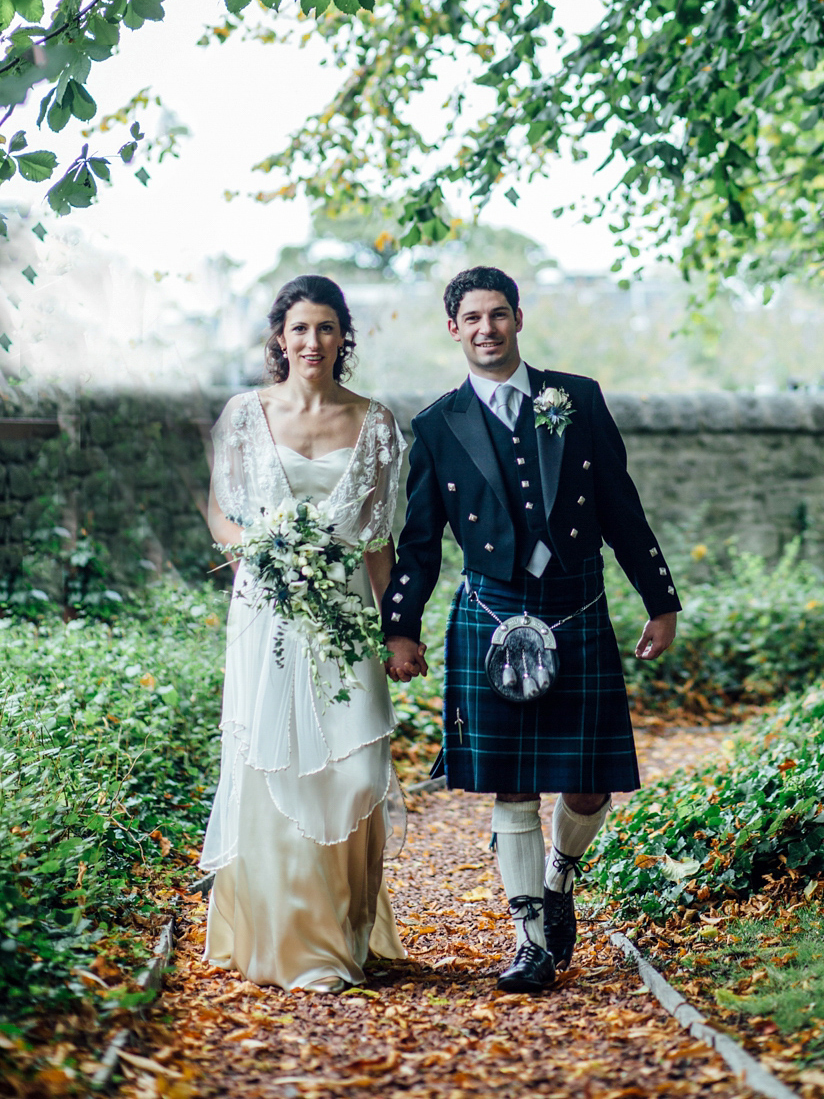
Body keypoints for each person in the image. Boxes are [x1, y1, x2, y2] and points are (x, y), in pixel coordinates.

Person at [381, 265, 680, 995]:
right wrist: (401, 627)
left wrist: (660, 599)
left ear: (519, 318)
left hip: (575, 604)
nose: (487, 329)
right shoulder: (436, 424)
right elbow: (419, 541)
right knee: (511, 788)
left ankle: (559, 878)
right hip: (491, 614)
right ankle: (529, 941)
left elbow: (620, 506)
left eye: (498, 315)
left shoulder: (574, 399)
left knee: (586, 786)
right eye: (472, 318)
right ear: (453, 328)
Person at [200, 274, 406, 992]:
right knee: (277, 760)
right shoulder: (243, 415)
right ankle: (290, 941)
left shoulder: (376, 423)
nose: (312, 342)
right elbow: (221, 512)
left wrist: (399, 630)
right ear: (279, 339)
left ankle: (344, 930)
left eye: (326, 328)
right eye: (299, 329)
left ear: (344, 336)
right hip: (269, 615)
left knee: (351, 766)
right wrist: (259, 553)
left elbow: (379, 539)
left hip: (346, 618)